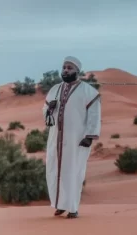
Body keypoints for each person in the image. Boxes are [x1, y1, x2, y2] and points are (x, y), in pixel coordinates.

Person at [42, 56, 101, 219]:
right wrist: (50, 110)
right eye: (64, 67)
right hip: (56, 139)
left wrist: (89, 136)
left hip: (77, 140)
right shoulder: (54, 90)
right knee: (54, 171)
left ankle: (73, 207)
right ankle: (60, 205)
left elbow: (94, 116)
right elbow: (45, 114)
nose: (66, 70)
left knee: (74, 172)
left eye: (69, 68)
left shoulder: (89, 92)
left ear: (77, 71)